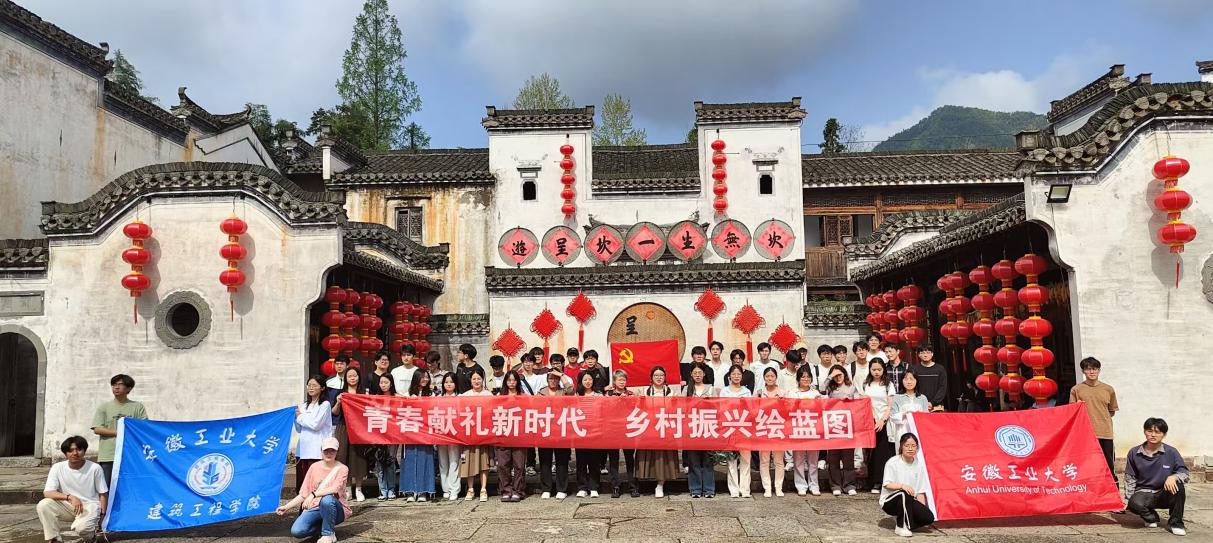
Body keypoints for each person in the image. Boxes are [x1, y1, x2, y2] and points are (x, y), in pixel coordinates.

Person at [278, 437, 351, 543]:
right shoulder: (314, 467)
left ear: (337, 452)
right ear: (321, 451)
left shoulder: (342, 468)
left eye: (332, 450)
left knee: (327, 499)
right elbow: (304, 493)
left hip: (336, 508)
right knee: (297, 531)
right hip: (316, 507)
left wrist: (313, 494)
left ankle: (329, 534)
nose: (329, 453)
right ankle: (325, 527)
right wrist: (286, 507)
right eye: (326, 450)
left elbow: (335, 488)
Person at [1125, 418, 1189, 536]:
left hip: (1164, 492)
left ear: (1164, 435)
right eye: (1149, 431)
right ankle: (1151, 517)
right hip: (1144, 493)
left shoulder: (1171, 452)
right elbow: (1130, 477)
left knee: (1179, 486)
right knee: (1133, 503)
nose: (1153, 435)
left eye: (1157, 432)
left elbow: (1184, 472)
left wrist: (1174, 477)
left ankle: (1176, 523)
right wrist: (1130, 500)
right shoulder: (1134, 452)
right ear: (1144, 432)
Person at [37, 436, 107, 543]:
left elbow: (103, 493)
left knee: (81, 528)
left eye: (78, 449)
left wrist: (103, 516)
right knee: (43, 505)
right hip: (69, 506)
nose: (75, 453)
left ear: (84, 451)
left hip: (90, 506)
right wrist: (70, 497)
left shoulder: (95, 468)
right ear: (65, 453)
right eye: (70, 450)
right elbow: (48, 492)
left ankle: (91, 537)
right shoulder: (57, 467)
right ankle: (54, 539)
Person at [90, 373, 147, 486]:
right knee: (106, 486)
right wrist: (119, 432)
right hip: (109, 454)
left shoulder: (137, 407)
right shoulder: (104, 407)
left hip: (130, 453)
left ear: (129, 388)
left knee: (131, 485)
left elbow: (143, 427)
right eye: (114, 385)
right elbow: (97, 429)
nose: (116, 387)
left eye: (120, 384)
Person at [1070, 357, 1119, 484]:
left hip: (1105, 433)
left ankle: (1112, 490)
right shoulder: (1076, 389)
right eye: (1088, 369)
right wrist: (1078, 406)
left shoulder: (1108, 389)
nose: (1092, 372)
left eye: (1095, 369)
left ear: (1099, 370)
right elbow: (1071, 411)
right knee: (1088, 465)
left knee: (1108, 465)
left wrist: (1101, 418)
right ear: (1083, 371)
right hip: (1086, 433)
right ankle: (1092, 490)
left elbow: (1112, 411)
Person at [634, 366, 680, 498]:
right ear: (651, 378)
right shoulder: (644, 392)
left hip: (665, 429)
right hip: (648, 429)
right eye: (656, 375)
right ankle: (646, 480)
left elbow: (677, 410)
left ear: (665, 377)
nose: (659, 378)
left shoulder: (672, 392)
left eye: (661, 375)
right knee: (648, 456)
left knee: (662, 457)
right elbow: (638, 409)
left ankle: (660, 484)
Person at [880, 433, 935, 538]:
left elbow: (920, 492)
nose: (910, 449)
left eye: (913, 446)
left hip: (909, 500)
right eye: (907, 445)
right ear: (901, 446)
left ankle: (905, 520)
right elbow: (887, 484)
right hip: (890, 501)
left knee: (928, 518)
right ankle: (901, 526)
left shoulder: (919, 465)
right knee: (903, 493)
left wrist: (921, 510)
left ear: (917, 448)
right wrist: (902, 486)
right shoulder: (892, 462)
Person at [328, 366, 368, 502]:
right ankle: (348, 488)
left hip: (359, 429)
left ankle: (359, 489)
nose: (352, 378)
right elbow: (334, 412)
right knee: (343, 456)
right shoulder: (341, 393)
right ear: (345, 378)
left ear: (359, 377)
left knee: (358, 457)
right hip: (344, 427)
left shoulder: (363, 392)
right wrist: (338, 402)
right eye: (349, 376)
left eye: (355, 375)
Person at [399, 371, 437, 502]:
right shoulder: (407, 394)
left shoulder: (431, 394)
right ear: (416, 378)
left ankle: (423, 491)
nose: (425, 379)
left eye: (427, 377)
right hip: (410, 431)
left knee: (424, 459)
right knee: (409, 460)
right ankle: (410, 491)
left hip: (425, 431)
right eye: (422, 377)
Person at [493, 370, 529, 502]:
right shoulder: (499, 396)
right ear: (505, 382)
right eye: (509, 380)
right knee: (503, 464)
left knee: (519, 465)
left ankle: (518, 490)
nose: (512, 383)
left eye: (514, 380)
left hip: (519, 435)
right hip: (503, 434)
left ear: (518, 382)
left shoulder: (524, 396)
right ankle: (506, 490)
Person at [296, 374, 335, 493]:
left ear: (322, 388)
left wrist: (300, 417)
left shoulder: (325, 405)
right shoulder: (304, 406)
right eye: (309, 385)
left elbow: (316, 425)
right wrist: (295, 417)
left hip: (316, 449)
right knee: (303, 484)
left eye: (314, 385)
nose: (311, 388)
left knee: (316, 484)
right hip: (303, 449)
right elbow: (299, 428)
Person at [862, 359, 896, 494]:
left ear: (883, 370)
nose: (876, 372)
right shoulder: (866, 384)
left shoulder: (888, 385)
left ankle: (881, 481)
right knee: (870, 452)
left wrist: (882, 420)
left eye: (879, 369)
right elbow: (864, 402)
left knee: (883, 452)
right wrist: (873, 418)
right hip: (870, 420)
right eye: (874, 369)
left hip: (885, 422)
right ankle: (871, 480)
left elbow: (890, 405)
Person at [604, 370, 639, 498]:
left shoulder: (630, 394)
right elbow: (604, 409)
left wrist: (627, 401)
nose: (622, 382)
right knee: (613, 459)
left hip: (628, 429)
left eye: (624, 380)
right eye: (619, 380)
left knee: (630, 458)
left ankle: (633, 486)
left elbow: (636, 410)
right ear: (614, 381)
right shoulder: (608, 394)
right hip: (612, 430)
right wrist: (615, 401)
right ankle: (615, 486)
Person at [718, 364, 753, 498]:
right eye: (734, 374)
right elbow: (722, 409)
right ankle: (733, 489)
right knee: (731, 460)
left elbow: (750, 409)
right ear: (729, 376)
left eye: (739, 374)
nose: (736, 376)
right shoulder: (724, 391)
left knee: (746, 459)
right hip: (730, 427)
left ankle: (745, 489)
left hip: (744, 427)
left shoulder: (747, 391)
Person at [787, 365, 822, 496]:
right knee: (798, 459)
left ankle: (814, 485)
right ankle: (801, 485)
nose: (806, 379)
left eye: (808, 377)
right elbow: (788, 409)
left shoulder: (815, 393)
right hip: (798, 428)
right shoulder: (792, 393)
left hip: (813, 428)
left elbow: (823, 409)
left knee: (813, 460)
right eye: (803, 377)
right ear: (798, 379)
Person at [824, 365, 858, 496]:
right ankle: (835, 485)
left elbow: (859, 403)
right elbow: (821, 389)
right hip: (833, 426)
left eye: (840, 375)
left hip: (848, 426)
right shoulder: (830, 389)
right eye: (835, 376)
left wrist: (849, 400)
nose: (838, 378)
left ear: (845, 374)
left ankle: (849, 485)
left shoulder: (852, 388)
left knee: (848, 457)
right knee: (833, 458)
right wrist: (830, 377)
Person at [538, 371, 573, 499]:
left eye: (555, 379)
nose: (553, 381)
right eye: (551, 378)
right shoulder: (541, 392)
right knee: (545, 460)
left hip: (561, 429)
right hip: (545, 429)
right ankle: (546, 488)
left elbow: (571, 390)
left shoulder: (563, 391)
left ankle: (562, 488)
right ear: (547, 380)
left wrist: (562, 376)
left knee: (562, 460)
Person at [460, 368, 493, 502]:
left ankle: (483, 489)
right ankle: (470, 489)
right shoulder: (464, 396)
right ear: (470, 381)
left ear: (482, 380)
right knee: (468, 461)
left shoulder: (488, 395)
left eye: (478, 378)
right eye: (474, 379)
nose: (476, 381)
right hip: (468, 435)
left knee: (483, 462)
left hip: (483, 434)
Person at [684, 365, 717, 498]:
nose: (697, 375)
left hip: (708, 426)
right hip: (692, 427)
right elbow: (682, 407)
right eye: (695, 373)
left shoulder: (711, 389)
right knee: (693, 459)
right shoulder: (687, 389)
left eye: (700, 372)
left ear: (704, 374)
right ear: (691, 374)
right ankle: (695, 489)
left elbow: (717, 406)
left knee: (708, 459)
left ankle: (709, 489)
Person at [573, 371, 606, 497]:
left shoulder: (599, 395)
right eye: (585, 380)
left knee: (594, 460)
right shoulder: (577, 395)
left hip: (594, 431)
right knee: (581, 460)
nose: (588, 382)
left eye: (590, 379)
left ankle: (594, 487)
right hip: (580, 431)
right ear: (581, 382)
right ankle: (582, 487)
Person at [756, 367, 786, 497]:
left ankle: (778, 487)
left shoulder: (783, 393)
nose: (770, 378)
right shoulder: (759, 393)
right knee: (764, 460)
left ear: (776, 378)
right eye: (767, 376)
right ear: (764, 378)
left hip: (778, 428)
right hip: (763, 428)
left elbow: (788, 410)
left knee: (779, 461)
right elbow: (754, 410)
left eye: (772, 376)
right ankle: (767, 488)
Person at [370, 374, 400, 500]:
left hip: (393, 434)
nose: (383, 385)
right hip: (378, 433)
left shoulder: (397, 397)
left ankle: (391, 489)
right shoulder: (375, 398)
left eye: (386, 382)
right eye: (381, 382)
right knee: (379, 463)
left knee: (390, 462)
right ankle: (382, 490)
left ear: (391, 383)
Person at [435, 373, 463, 501]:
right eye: (446, 382)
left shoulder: (460, 398)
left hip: (455, 434)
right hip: (441, 433)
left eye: (451, 382)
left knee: (454, 461)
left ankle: (454, 489)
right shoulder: (437, 398)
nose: (449, 384)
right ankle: (445, 488)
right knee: (443, 462)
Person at [889, 372, 930, 445]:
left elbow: (927, 417)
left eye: (911, 379)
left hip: (919, 431)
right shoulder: (897, 397)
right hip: (903, 430)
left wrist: (919, 415)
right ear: (902, 381)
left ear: (916, 381)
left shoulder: (923, 398)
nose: (909, 382)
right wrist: (904, 414)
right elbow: (892, 416)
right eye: (906, 379)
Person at [910, 347, 948, 411]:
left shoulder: (940, 369)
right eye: (922, 353)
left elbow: (943, 387)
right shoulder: (914, 369)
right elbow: (911, 387)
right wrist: (920, 402)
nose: (925, 355)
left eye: (928, 353)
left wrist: (932, 402)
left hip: (937, 406)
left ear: (932, 354)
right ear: (919, 355)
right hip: (918, 405)